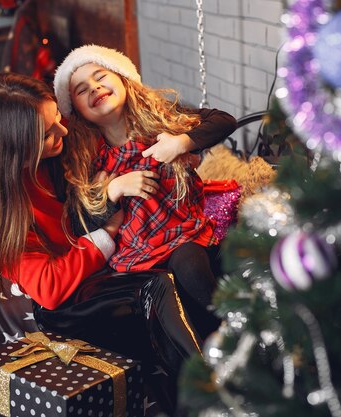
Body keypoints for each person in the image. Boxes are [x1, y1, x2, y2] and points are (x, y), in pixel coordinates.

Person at [0, 72, 217, 414]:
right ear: (14, 149)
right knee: (157, 289)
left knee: (181, 281)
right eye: (48, 133)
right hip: (68, 305)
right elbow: (51, 288)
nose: (64, 132)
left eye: (57, 118)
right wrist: (107, 231)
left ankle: (202, 387)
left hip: (109, 269)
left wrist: (180, 146)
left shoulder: (58, 138)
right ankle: (212, 390)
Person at [53, 44, 237, 338]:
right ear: (77, 111)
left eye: (101, 76)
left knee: (190, 266)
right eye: (81, 89)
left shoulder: (161, 123)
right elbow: (79, 224)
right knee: (161, 303)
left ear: (124, 78)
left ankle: (230, 332)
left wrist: (182, 143)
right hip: (134, 256)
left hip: (179, 236)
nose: (95, 88)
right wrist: (113, 190)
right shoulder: (89, 160)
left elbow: (225, 121)